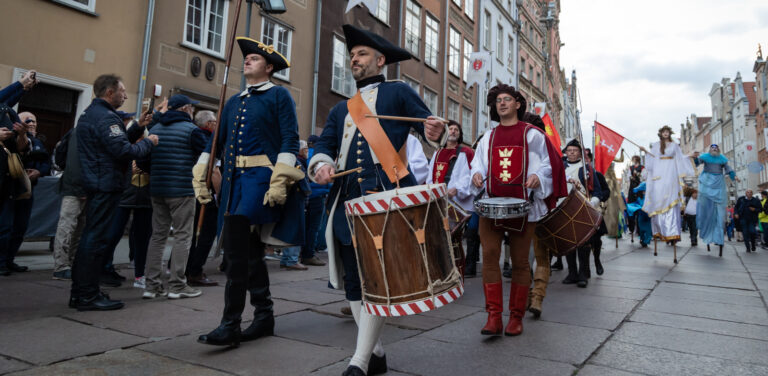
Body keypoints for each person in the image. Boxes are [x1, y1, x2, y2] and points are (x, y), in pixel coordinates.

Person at [308, 25, 446, 376]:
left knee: (379, 279)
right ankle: (376, 352)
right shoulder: (342, 109)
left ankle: (359, 362)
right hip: (346, 200)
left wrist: (435, 131)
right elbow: (324, 146)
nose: (354, 58)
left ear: (381, 60)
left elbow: (428, 126)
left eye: (363, 54)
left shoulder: (397, 91)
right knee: (354, 280)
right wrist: (321, 165)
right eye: (352, 54)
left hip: (387, 197)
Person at [196, 37, 307, 347]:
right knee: (249, 254)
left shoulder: (279, 97)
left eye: (255, 59)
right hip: (234, 184)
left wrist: (280, 179)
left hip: (261, 181)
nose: (248, 61)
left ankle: (230, 325)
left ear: (269, 68)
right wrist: (201, 172)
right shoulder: (233, 102)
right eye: (247, 58)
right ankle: (263, 315)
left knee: (236, 254)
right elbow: (216, 142)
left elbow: (289, 138)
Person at [470, 84, 564, 336]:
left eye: (507, 99)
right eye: (498, 100)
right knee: (490, 256)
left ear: (517, 104)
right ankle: (493, 316)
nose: (501, 103)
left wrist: (537, 177)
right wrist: (477, 174)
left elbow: (547, 164)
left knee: (521, 262)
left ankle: (516, 317)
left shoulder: (532, 135)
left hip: (524, 206)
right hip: (491, 205)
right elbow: (477, 163)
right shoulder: (488, 137)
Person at [70, 74, 157, 311]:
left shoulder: (91, 114)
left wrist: (137, 126)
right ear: (110, 92)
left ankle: (81, 292)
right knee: (95, 240)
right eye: (123, 91)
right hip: (106, 184)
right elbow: (123, 152)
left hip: (98, 182)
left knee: (91, 237)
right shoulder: (107, 117)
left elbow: (111, 146)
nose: (126, 95)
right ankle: (87, 295)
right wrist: (149, 142)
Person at [142, 94, 210, 300]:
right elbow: (204, 160)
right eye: (191, 108)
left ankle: (151, 285)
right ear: (184, 109)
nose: (193, 111)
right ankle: (177, 285)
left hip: (158, 189)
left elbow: (144, 160)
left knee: (158, 236)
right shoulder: (192, 131)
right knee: (182, 236)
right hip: (182, 189)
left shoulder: (154, 129)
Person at [99, 111, 152, 288]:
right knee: (112, 234)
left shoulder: (147, 148)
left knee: (141, 238)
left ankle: (139, 274)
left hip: (143, 198)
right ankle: (103, 269)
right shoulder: (125, 146)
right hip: (124, 196)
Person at [0, 111, 49, 275]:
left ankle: (9, 260)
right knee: (5, 226)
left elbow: (46, 163)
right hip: (10, 188)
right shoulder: (8, 140)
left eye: (34, 121)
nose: (31, 123)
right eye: (27, 120)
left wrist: (38, 172)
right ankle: (1, 262)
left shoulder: (37, 142)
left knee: (20, 227)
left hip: (27, 190)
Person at [425, 120, 476, 275]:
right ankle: (442, 271)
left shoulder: (466, 152)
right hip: (438, 202)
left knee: (454, 239)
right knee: (438, 239)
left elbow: (471, 175)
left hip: (456, 202)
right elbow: (429, 176)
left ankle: (458, 272)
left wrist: (458, 189)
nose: (453, 131)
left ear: (459, 135)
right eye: (450, 129)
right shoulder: (437, 153)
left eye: (456, 130)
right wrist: (430, 191)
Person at [0, 72, 37, 275]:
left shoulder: (6, 111)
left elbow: (21, 146)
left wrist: (23, 88)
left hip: (8, 178)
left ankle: (4, 261)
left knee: (7, 226)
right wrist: (20, 84)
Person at [640, 125, 695, 247]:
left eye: (667, 132)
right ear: (661, 133)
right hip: (660, 172)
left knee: (671, 197)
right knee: (659, 198)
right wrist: (645, 152)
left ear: (669, 133)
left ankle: (672, 231)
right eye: (663, 132)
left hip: (670, 171)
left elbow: (680, 158)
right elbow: (651, 159)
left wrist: (688, 156)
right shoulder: (655, 145)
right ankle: (659, 228)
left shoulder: (675, 145)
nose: (665, 133)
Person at [559, 139, 604, 287]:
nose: (571, 153)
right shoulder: (560, 166)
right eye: (569, 150)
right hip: (564, 207)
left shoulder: (587, 168)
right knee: (568, 242)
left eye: (575, 150)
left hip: (582, 207)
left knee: (583, 242)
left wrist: (593, 203)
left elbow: (598, 190)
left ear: (580, 152)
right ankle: (572, 273)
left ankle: (583, 274)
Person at [186, 110, 220, 286]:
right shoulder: (206, 139)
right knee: (204, 233)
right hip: (203, 191)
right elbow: (212, 167)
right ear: (208, 124)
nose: (217, 124)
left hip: (195, 190)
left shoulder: (204, 137)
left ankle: (188, 268)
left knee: (191, 233)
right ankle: (195, 271)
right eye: (215, 122)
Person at [692, 144, 736, 250]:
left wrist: (734, 176)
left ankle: (718, 238)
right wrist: (694, 157)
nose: (714, 149)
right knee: (707, 209)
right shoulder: (705, 157)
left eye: (716, 148)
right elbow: (697, 164)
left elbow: (728, 168)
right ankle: (707, 231)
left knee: (719, 214)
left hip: (718, 182)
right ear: (710, 149)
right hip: (707, 181)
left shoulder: (722, 159)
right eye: (712, 147)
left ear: (718, 150)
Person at [627, 182, 652, 247]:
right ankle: (642, 239)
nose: (644, 191)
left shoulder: (649, 197)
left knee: (648, 228)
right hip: (641, 214)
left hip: (648, 215)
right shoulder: (639, 197)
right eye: (643, 190)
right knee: (641, 228)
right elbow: (636, 204)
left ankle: (646, 240)